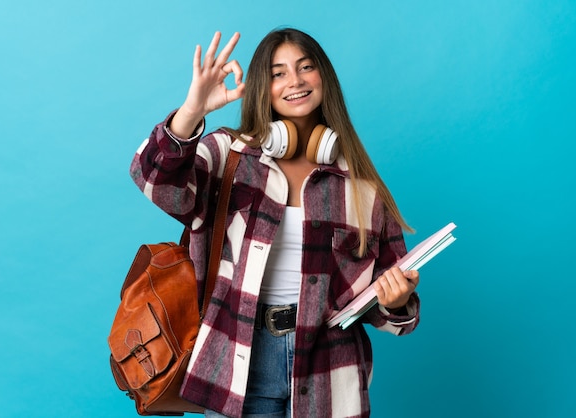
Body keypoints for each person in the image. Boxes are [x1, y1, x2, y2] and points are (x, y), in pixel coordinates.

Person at [130, 28, 420, 418]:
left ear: (324, 79)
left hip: (329, 370)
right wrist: (192, 111)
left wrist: (396, 301)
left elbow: (390, 311)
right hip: (239, 361)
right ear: (262, 87)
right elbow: (155, 181)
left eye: (305, 68)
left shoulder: (359, 187)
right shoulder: (229, 156)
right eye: (278, 72)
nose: (295, 81)